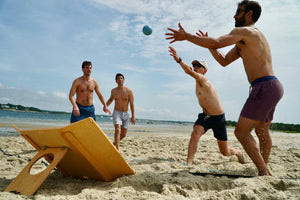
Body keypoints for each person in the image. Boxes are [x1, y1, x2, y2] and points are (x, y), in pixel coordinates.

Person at [165, 0, 283, 176]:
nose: (234, 15)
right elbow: (224, 61)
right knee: (261, 130)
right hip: (272, 86)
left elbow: (217, 41)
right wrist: (212, 46)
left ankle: (264, 171)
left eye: (239, 11)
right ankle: (263, 167)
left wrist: (187, 36)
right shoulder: (246, 39)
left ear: (249, 14)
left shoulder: (244, 31)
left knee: (241, 133)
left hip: (264, 86)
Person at [168, 46, 244, 166]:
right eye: (195, 65)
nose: (195, 67)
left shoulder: (204, 80)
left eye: (199, 66)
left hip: (218, 118)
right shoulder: (197, 81)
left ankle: (238, 152)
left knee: (225, 152)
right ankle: (189, 164)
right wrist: (182, 62)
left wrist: (178, 60)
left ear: (205, 70)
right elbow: (189, 69)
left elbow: (188, 71)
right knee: (194, 135)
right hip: (205, 116)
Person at [106, 73, 136, 150]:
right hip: (117, 112)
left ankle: (113, 144)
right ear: (116, 81)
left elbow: (132, 104)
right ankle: (117, 148)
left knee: (123, 134)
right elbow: (110, 99)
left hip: (125, 113)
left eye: (121, 78)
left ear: (124, 80)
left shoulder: (129, 91)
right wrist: (105, 106)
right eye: (118, 78)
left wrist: (133, 116)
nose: (120, 80)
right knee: (117, 129)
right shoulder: (113, 91)